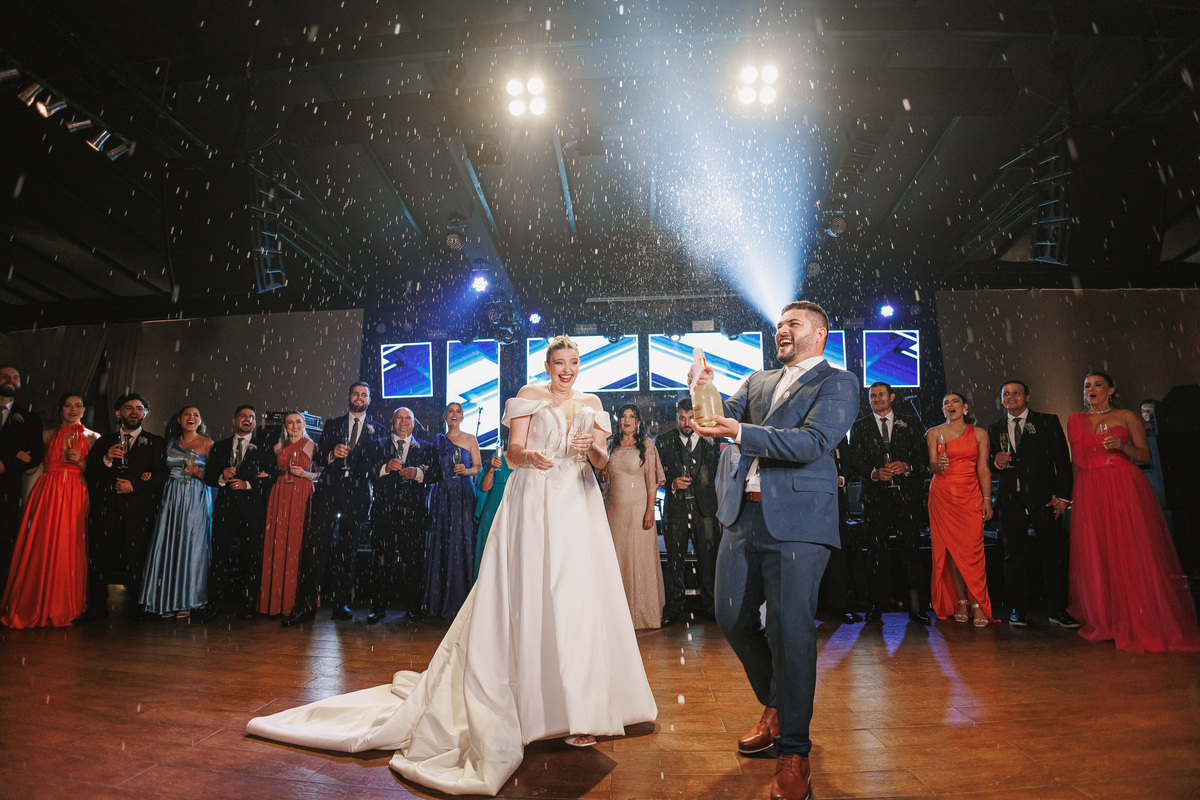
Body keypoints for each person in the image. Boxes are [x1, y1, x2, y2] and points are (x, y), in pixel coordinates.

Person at [247, 335, 656, 796]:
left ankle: (580, 709)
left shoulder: (592, 402)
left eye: (574, 361)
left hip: (576, 504)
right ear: (546, 364)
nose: (567, 369)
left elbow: (600, 460)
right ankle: (527, 699)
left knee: (578, 597)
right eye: (559, 361)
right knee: (530, 594)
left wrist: (591, 450)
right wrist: (533, 457)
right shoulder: (525, 397)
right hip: (536, 500)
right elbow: (515, 451)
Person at [692, 300, 858, 800]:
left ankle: (793, 752)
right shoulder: (759, 381)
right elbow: (718, 417)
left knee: (790, 631)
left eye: (794, 323)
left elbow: (812, 443)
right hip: (743, 516)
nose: (782, 330)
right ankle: (778, 702)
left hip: (800, 523)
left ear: (820, 334)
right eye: (780, 323)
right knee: (728, 615)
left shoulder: (839, 382)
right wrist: (703, 386)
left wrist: (741, 433)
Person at [1066, 371, 1200, 652]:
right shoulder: (1076, 421)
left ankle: (1139, 615)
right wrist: (1073, 499)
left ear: (1111, 389)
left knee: (1129, 550)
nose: (1092, 390)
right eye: (1087, 385)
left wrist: (1122, 447)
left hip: (1122, 485)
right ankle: (1108, 620)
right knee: (1098, 553)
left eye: (1098, 385)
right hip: (1090, 488)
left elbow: (1145, 456)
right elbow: (1077, 464)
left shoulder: (1126, 416)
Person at [282, 382, 382, 626]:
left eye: (363, 395)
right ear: (349, 397)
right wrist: (330, 454)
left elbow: (376, 464)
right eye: (355, 394)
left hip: (357, 495)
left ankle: (341, 604)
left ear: (369, 400)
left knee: (348, 550)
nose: (359, 398)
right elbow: (317, 456)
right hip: (328, 491)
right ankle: (305, 606)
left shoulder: (377, 429)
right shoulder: (332, 424)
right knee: (316, 547)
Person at [1, 394, 98, 628]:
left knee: (67, 546)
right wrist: (18, 456)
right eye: (67, 405)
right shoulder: (46, 435)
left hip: (75, 493)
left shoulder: (93, 437)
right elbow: (29, 466)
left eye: (77, 406)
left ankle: (62, 603)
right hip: (47, 492)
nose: (73, 410)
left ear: (84, 410)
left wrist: (81, 463)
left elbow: (97, 475)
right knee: (41, 545)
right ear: (60, 409)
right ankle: (34, 603)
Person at [986, 380, 1077, 629]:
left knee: (1052, 554)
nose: (1011, 397)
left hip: (1044, 499)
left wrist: (1064, 497)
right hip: (1011, 501)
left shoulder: (1047, 422)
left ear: (1028, 396)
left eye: (1016, 393)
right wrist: (995, 462)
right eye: (1006, 394)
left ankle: (1058, 610)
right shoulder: (994, 429)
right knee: (1013, 556)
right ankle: (1018, 609)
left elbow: (1062, 461)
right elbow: (985, 466)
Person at [846, 382, 930, 624]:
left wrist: (907, 466)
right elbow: (854, 462)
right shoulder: (860, 426)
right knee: (875, 554)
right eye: (873, 396)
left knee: (911, 553)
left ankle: (916, 608)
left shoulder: (911, 423)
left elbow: (923, 459)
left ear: (892, 397)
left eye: (881, 394)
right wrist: (873, 473)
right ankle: (875, 607)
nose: (877, 399)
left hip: (907, 499)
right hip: (875, 499)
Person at [84, 393, 168, 620]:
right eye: (128, 408)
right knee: (99, 558)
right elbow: (91, 474)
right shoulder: (104, 442)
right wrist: (107, 460)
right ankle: (96, 606)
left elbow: (161, 475)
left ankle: (137, 607)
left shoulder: (155, 442)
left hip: (139, 511)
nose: (134, 412)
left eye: (139, 408)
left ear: (145, 413)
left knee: (137, 560)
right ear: (118, 412)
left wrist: (136, 486)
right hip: (107, 510)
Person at [926, 392, 995, 628]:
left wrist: (987, 499)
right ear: (943, 410)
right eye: (946, 403)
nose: (950, 405)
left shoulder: (979, 433)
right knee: (952, 552)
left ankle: (978, 603)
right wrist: (936, 465)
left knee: (973, 551)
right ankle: (961, 601)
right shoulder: (934, 433)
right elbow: (932, 467)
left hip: (970, 495)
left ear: (965, 407)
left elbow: (984, 468)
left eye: (955, 402)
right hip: (943, 495)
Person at [363, 407, 437, 625]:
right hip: (383, 514)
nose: (403, 422)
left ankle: (413, 608)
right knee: (381, 562)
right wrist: (384, 467)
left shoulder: (426, 448)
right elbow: (363, 470)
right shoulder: (375, 446)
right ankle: (378, 608)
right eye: (399, 418)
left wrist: (418, 473)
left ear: (414, 423)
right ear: (392, 421)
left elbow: (437, 474)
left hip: (413, 516)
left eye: (408, 418)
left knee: (413, 563)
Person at [203, 405, 276, 621]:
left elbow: (271, 476)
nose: (248, 420)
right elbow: (208, 478)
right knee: (219, 559)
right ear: (234, 421)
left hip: (252, 511)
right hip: (225, 511)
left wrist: (247, 484)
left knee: (251, 559)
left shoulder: (264, 446)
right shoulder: (220, 447)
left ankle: (248, 605)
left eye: (251, 417)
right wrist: (222, 477)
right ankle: (214, 605)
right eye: (243, 416)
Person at [139, 407, 214, 619]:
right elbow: (161, 469)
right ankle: (166, 599)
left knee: (190, 545)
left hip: (195, 496)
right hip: (171, 496)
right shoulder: (170, 443)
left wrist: (200, 472)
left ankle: (188, 599)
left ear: (200, 421)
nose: (192, 418)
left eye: (196, 415)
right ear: (179, 419)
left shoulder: (207, 443)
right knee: (168, 544)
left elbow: (216, 475)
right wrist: (149, 474)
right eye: (187, 415)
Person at [655, 397, 721, 624]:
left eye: (691, 418)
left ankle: (713, 608)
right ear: (677, 417)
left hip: (707, 510)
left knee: (709, 560)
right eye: (682, 418)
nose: (686, 422)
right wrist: (671, 484)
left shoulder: (711, 439)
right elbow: (656, 475)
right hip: (676, 509)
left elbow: (719, 475)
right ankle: (674, 608)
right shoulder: (662, 440)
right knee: (674, 561)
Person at [602, 403, 666, 630]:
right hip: (614, 512)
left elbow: (652, 482)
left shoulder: (647, 446)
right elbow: (604, 479)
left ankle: (643, 616)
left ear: (639, 423)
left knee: (640, 560)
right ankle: (619, 616)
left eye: (632, 417)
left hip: (639, 511)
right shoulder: (611, 446)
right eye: (623, 416)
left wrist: (650, 510)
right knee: (617, 560)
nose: (627, 420)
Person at [259, 412, 320, 617]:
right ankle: (276, 600)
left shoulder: (312, 446)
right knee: (279, 542)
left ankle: (297, 601)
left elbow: (321, 474)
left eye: (298, 422)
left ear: (304, 424)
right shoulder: (277, 447)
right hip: (280, 493)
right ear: (285, 426)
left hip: (303, 492)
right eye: (290, 423)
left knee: (298, 543)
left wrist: (304, 474)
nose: (294, 426)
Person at [423, 402, 480, 619]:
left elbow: (478, 467)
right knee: (442, 542)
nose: (454, 414)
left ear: (462, 416)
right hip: (441, 494)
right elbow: (432, 467)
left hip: (463, 493)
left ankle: (461, 600)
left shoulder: (470, 438)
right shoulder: (437, 440)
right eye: (450, 411)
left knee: (462, 541)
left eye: (458, 411)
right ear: (445, 416)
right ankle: (438, 602)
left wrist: (467, 470)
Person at [0, 365, 44, 585]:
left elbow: (34, 455)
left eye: (16, 377)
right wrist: (15, 455)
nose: (11, 380)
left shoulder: (29, 418)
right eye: (6, 376)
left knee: (4, 542)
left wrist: (6, 464)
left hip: (8, 490)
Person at [472, 448, 512, 580]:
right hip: (493, 513)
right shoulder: (498, 457)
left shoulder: (531, 461)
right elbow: (484, 487)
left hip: (515, 515)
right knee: (489, 557)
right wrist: (491, 469)